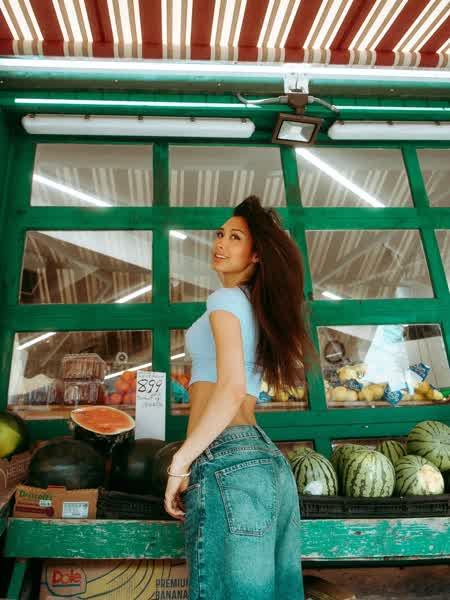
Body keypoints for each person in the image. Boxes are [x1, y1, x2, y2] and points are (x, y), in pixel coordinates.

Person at [164, 195, 319, 599]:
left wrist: (181, 461)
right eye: (220, 234)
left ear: (256, 254)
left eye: (236, 237)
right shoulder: (257, 309)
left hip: (227, 459)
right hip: (266, 463)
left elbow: (232, 388)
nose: (221, 243)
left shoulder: (226, 300)